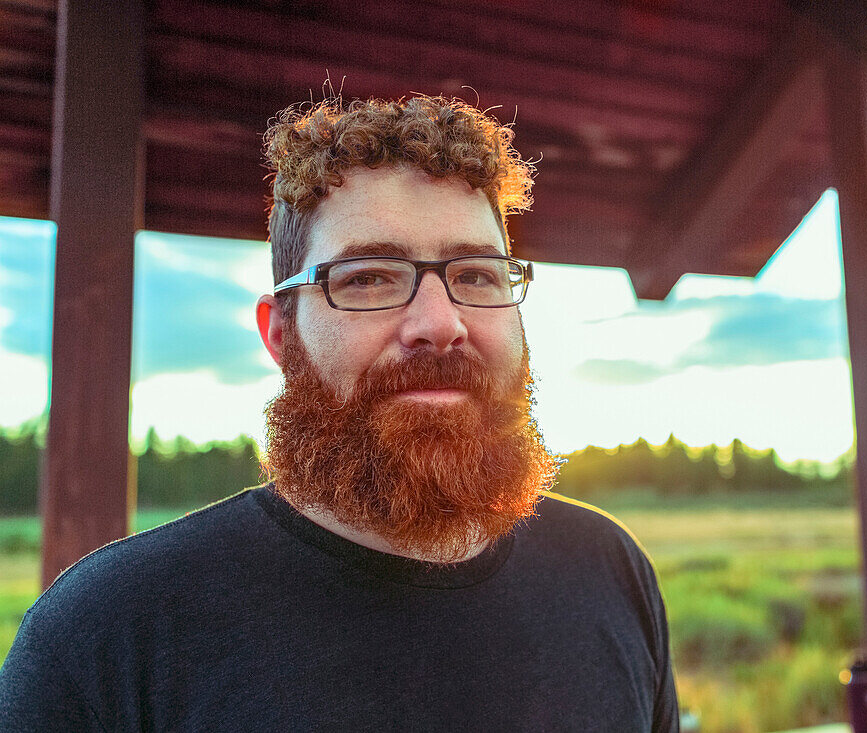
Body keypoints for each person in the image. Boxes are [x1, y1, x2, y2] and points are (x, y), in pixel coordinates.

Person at [0, 95, 679, 731]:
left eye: (476, 274)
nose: (439, 324)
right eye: (369, 278)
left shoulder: (609, 571)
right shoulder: (105, 633)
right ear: (281, 334)